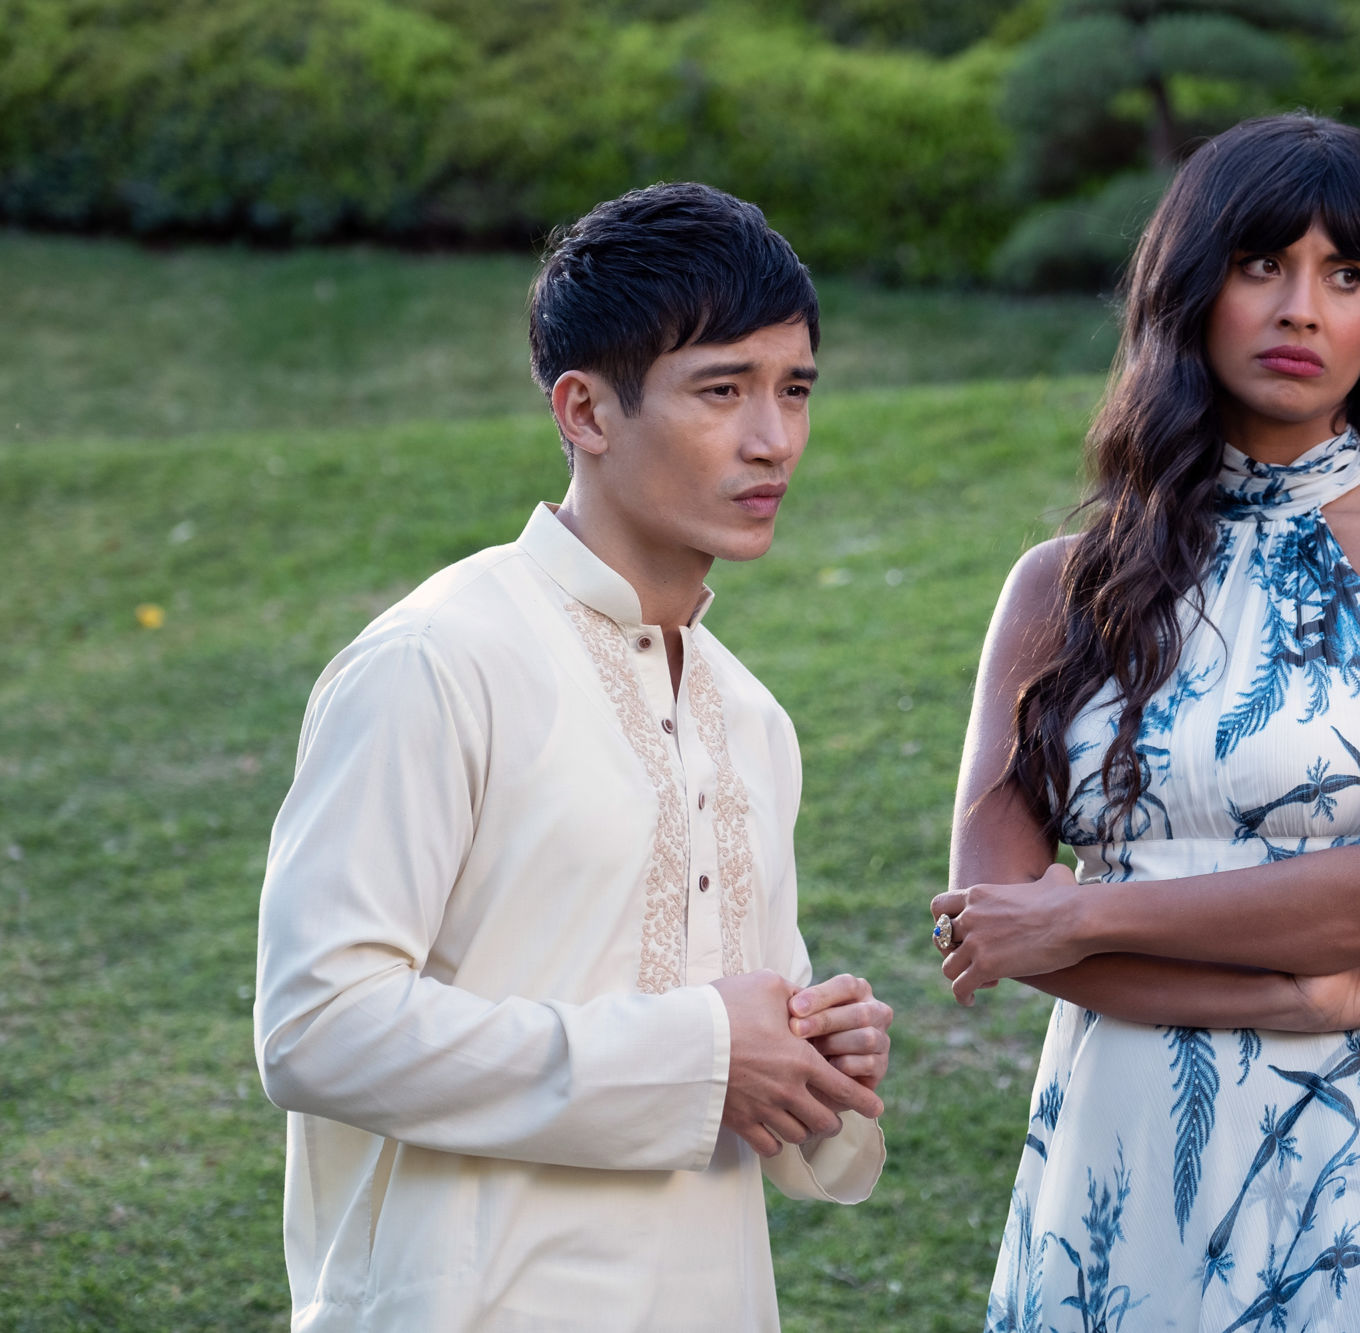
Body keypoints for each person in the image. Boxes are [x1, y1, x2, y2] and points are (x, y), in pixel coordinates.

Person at [932, 116, 1360, 1331]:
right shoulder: (1059, 586)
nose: (1301, 310)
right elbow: (989, 923)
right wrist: (1285, 997)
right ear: (1190, 285)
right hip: (1117, 1162)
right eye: (1261, 265)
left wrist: (1084, 914)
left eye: (1346, 274)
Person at [253, 182, 892, 1332]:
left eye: (794, 389)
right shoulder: (435, 662)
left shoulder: (751, 718)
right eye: (722, 389)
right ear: (584, 411)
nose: (772, 439)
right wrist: (698, 1051)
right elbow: (318, 1026)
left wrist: (817, 1062)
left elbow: (743, 1063)